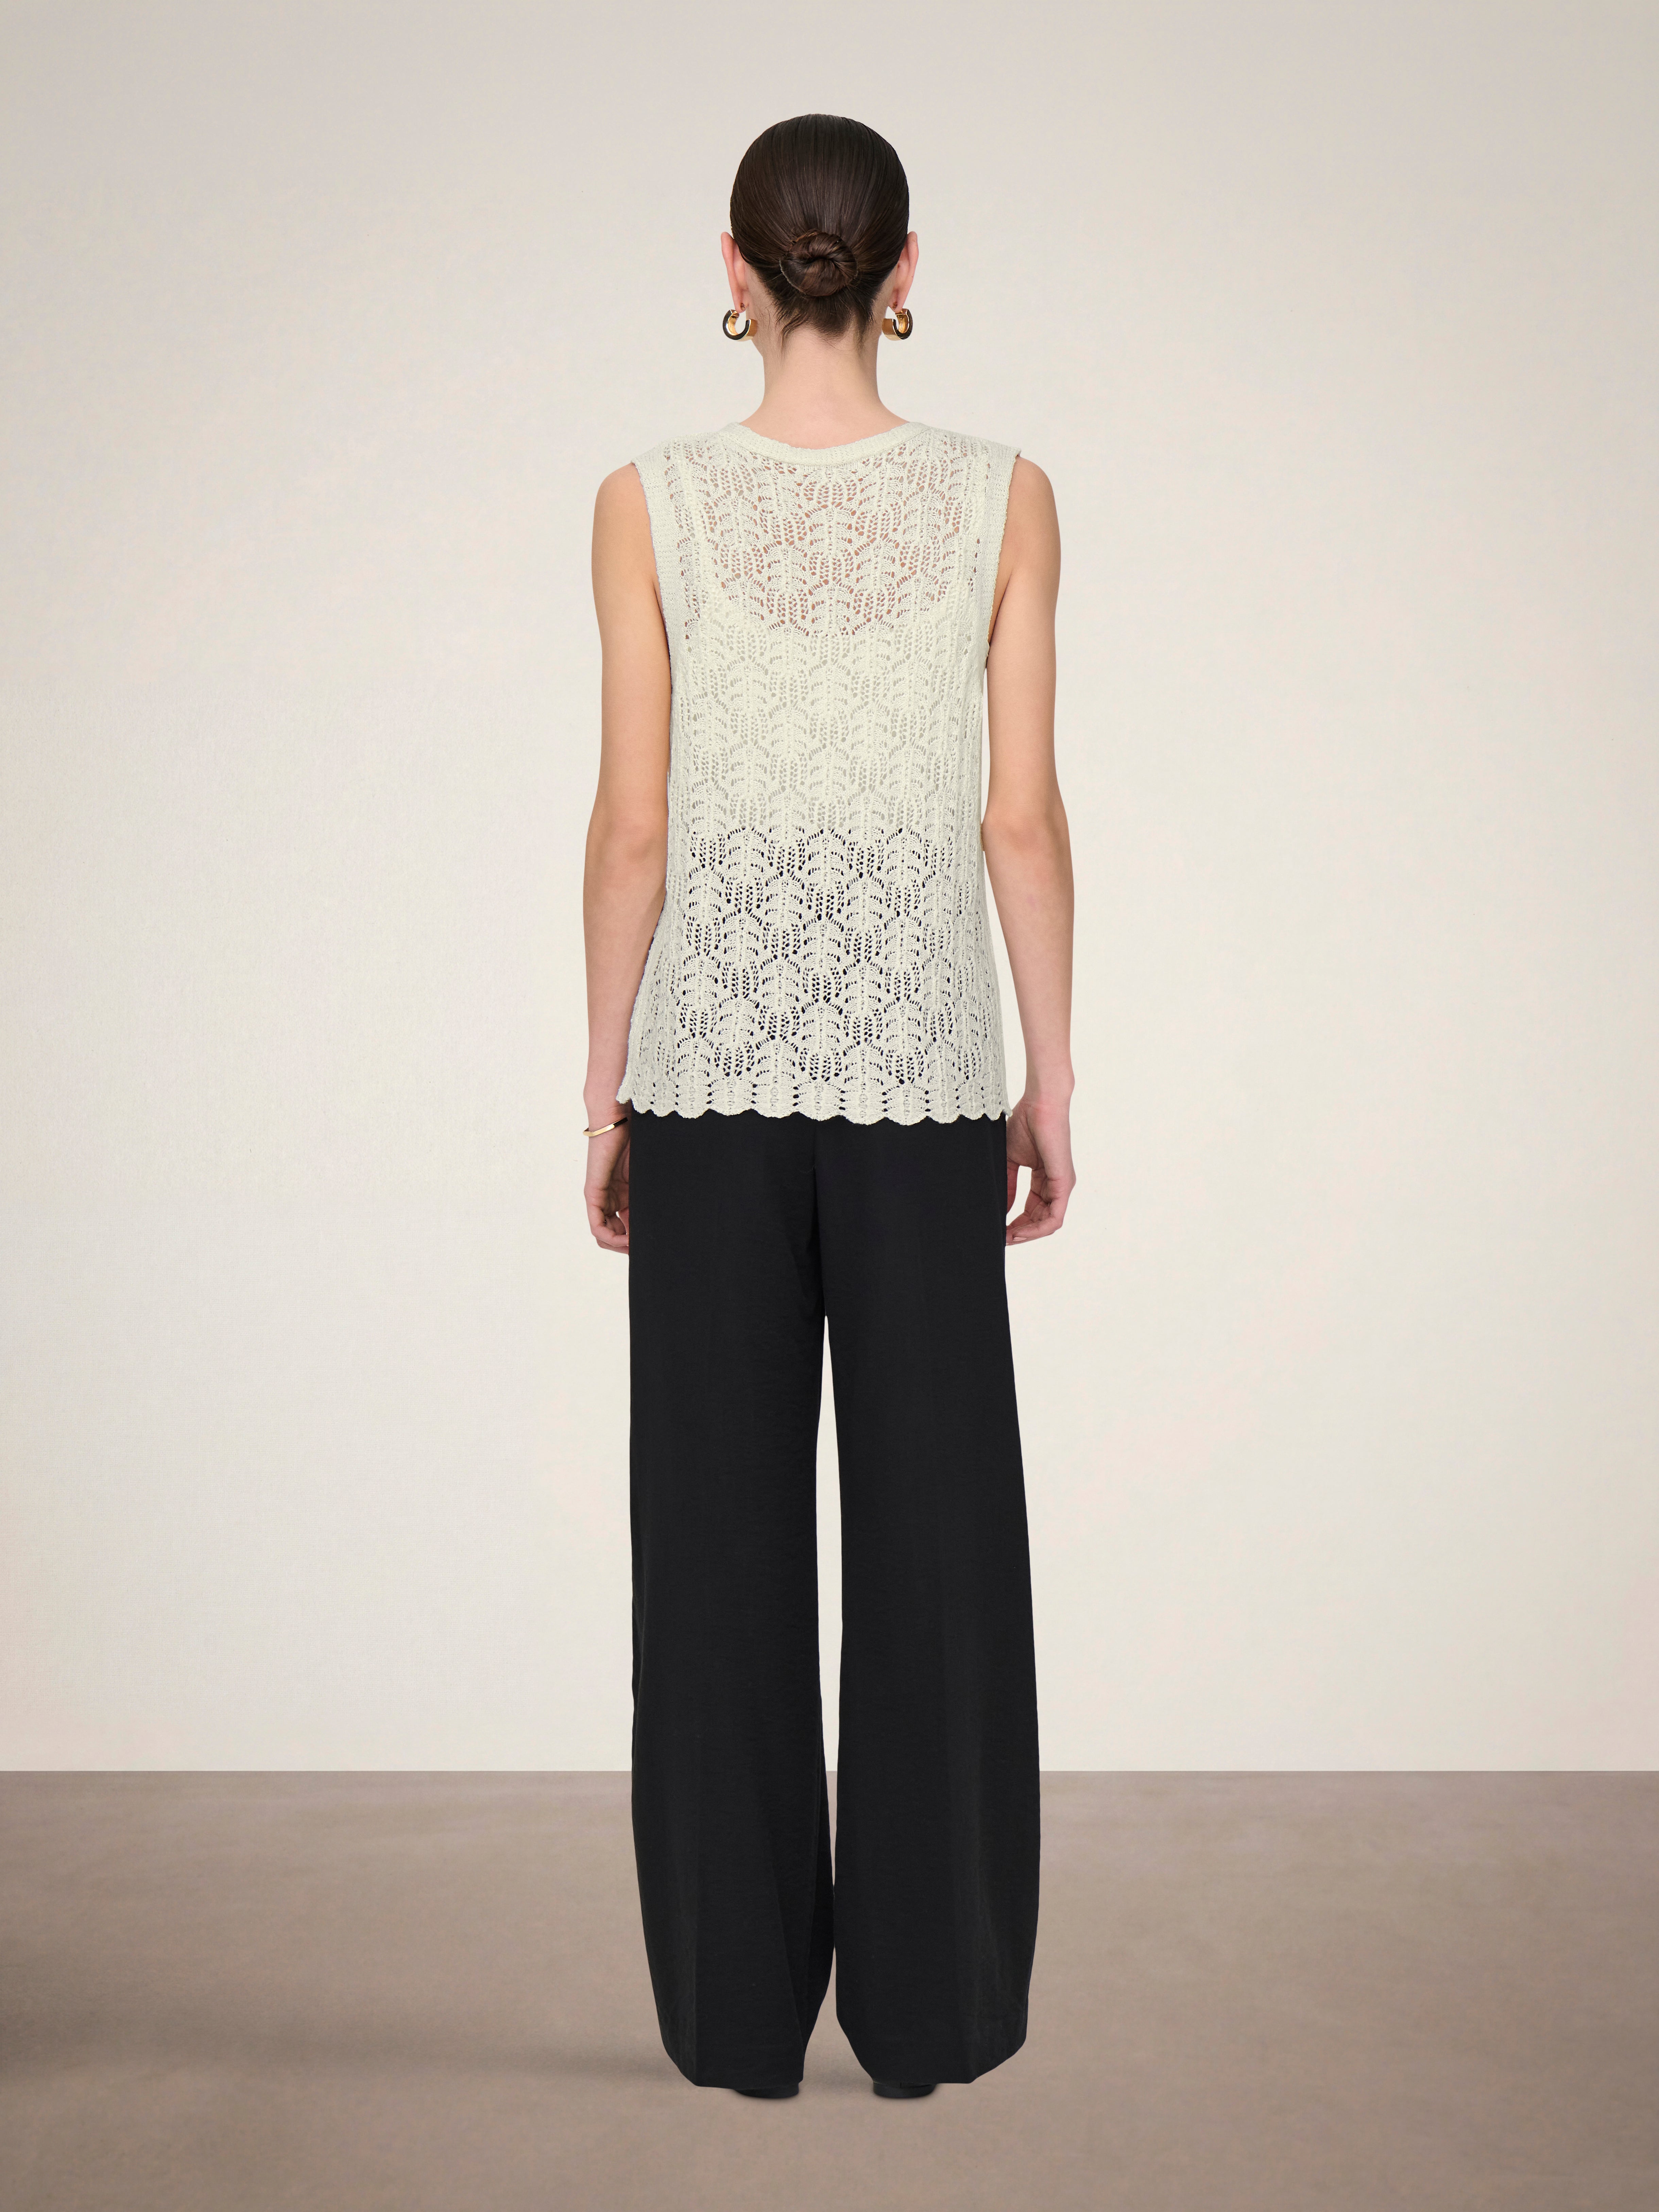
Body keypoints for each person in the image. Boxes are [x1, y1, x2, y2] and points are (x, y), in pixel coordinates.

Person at [581, 113, 1074, 2102]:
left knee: (713, 1542)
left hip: (708, 1067)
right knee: (941, 1535)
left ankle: (732, 2019)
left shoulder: (647, 501)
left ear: (733, 270)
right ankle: (934, 2017)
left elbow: (633, 825)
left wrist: (604, 1085)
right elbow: (1019, 819)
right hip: (927, 1071)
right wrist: (1051, 1076)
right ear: (901, 270)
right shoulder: (1007, 497)